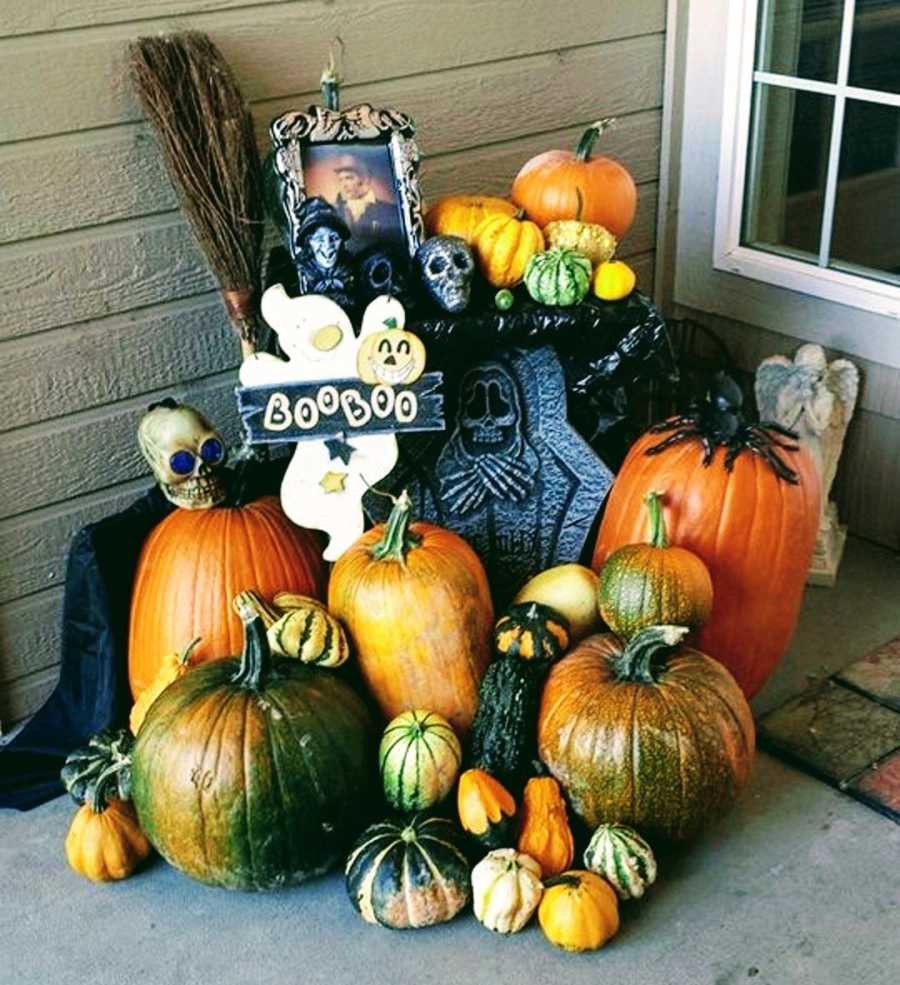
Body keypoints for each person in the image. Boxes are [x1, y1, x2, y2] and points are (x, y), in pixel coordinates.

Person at [331, 154, 402, 249]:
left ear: (365, 179)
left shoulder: (392, 211)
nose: (344, 185)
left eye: (349, 178)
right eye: (341, 180)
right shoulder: (334, 213)